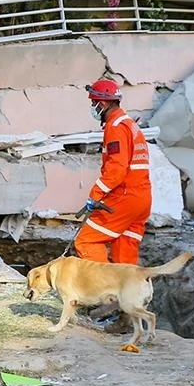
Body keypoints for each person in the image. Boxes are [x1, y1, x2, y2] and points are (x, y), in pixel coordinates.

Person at [74, 79, 152, 264]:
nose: (93, 107)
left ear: (103, 103)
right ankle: (128, 292)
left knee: (86, 241)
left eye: (94, 103)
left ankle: (101, 289)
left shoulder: (115, 127)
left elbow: (116, 169)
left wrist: (95, 195)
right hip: (141, 199)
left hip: (124, 198)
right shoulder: (130, 125)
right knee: (124, 254)